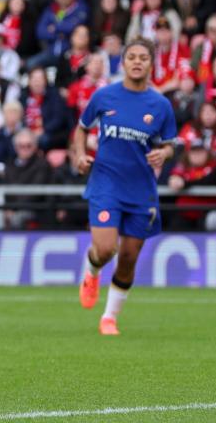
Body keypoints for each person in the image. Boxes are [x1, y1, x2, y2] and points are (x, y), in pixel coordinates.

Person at [75, 38, 175, 335]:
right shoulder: (104, 96)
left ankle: (109, 317)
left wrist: (165, 153)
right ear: (123, 61)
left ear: (151, 64)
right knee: (106, 249)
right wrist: (80, 154)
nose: (137, 62)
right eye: (131, 56)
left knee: (129, 257)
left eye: (143, 57)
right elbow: (82, 128)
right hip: (106, 182)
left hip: (141, 190)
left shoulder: (160, 105)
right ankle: (92, 271)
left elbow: (170, 144)